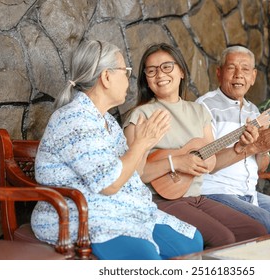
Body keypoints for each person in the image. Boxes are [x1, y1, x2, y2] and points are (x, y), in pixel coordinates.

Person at [30, 40, 204, 260]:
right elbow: (109, 184)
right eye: (125, 71)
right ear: (106, 77)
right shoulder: (73, 118)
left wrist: (145, 143)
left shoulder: (108, 122)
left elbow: (135, 172)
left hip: (121, 208)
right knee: (146, 257)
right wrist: (140, 144)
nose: (128, 79)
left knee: (192, 241)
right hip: (82, 216)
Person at [123, 43, 268, 249]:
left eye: (167, 67)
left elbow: (211, 162)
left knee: (256, 231)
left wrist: (240, 147)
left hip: (196, 198)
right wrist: (176, 163)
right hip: (160, 200)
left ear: (181, 71)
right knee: (223, 239)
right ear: (145, 78)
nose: (159, 74)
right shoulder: (140, 116)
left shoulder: (199, 112)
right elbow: (130, 175)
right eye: (151, 70)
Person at [195, 45, 270, 234]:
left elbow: (261, 167)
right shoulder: (205, 106)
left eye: (245, 69)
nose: (238, 74)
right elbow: (208, 163)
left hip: (249, 193)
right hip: (215, 192)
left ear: (253, 76)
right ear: (219, 72)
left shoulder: (254, 111)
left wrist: (264, 147)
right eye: (231, 68)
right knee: (265, 222)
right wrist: (247, 147)